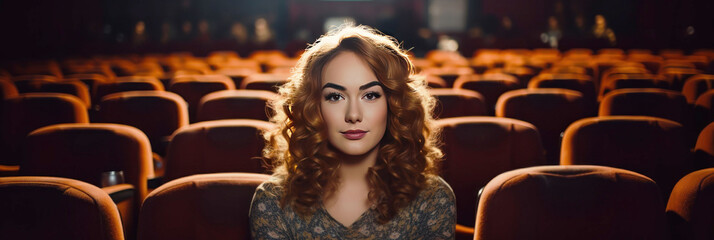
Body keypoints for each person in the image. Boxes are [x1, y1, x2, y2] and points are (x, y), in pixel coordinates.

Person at [249, 24, 456, 239]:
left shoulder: (432, 198)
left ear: (393, 104)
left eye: (370, 95)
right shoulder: (274, 201)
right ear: (313, 108)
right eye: (335, 97)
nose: (353, 115)